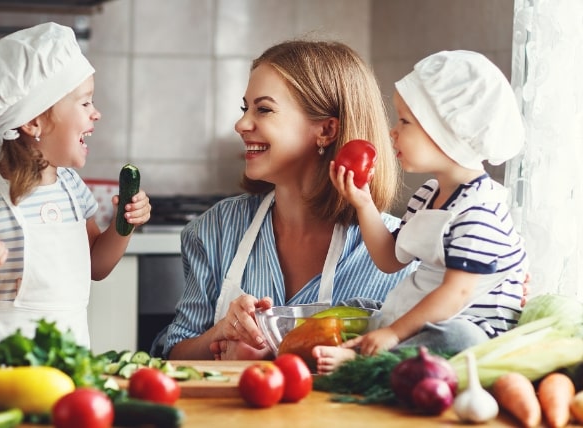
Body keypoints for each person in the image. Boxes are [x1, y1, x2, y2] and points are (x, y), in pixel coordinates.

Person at [157, 40, 416, 361]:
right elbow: (173, 353)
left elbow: (413, 368)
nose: (241, 124)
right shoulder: (215, 229)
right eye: (245, 108)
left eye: (263, 109)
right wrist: (220, 334)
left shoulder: (403, 253)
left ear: (326, 129)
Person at [0, 22, 151, 352]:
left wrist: (124, 225)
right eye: (85, 103)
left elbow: (96, 267)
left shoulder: (72, 188)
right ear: (34, 122)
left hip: (66, 362)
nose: (97, 114)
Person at [319, 50, 528, 374]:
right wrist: (363, 203)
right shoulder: (428, 194)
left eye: (404, 121)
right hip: (427, 313)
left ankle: (369, 360)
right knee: (353, 308)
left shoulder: (480, 211)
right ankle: (357, 348)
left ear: (447, 132)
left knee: (460, 338)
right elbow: (389, 259)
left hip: (469, 327)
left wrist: (392, 333)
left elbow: (456, 294)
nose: (392, 131)